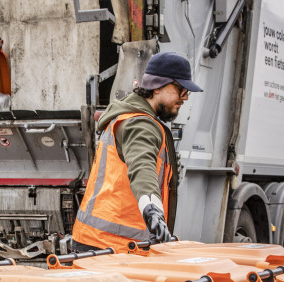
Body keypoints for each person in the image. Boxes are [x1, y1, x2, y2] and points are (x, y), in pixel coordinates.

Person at [72, 52, 203, 252]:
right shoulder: (140, 124)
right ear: (158, 86)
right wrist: (153, 212)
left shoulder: (126, 116)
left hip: (99, 241)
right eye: (181, 89)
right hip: (112, 247)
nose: (184, 98)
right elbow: (142, 167)